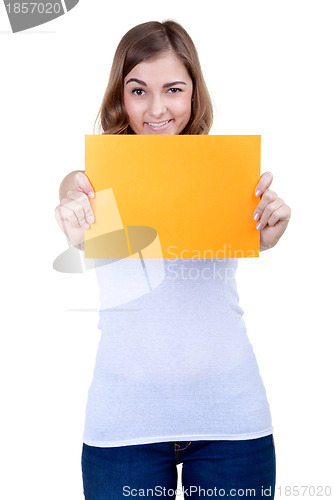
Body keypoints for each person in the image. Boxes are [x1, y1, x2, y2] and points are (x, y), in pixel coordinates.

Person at [55, 20, 291, 500]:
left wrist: (268, 231)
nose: (157, 108)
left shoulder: (230, 175)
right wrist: (69, 203)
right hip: (124, 427)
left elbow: (254, 233)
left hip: (230, 423)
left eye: (173, 90)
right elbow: (72, 198)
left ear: (194, 95)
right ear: (120, 95)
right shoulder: (95, 181)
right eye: (139, 90)